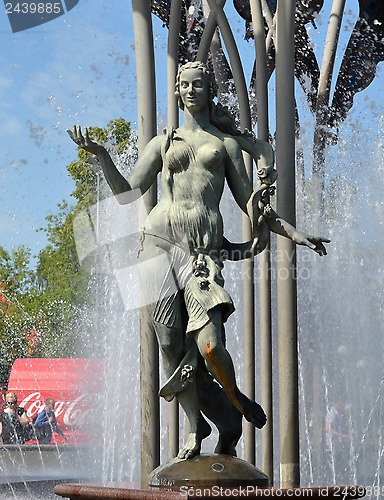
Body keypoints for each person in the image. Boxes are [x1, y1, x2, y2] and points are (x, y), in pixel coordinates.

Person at [68, 60, 329, 460]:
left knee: (208, 346)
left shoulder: (224, 147)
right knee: (169, 343)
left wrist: (295, 233)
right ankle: (196, 426)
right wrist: (103, 156)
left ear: (210, 91)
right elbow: (126, 195)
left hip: (202, 256)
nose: (191, 91)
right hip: (156, 245)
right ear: (177, 91)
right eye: (184, 85)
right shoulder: (162, 143)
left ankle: (235, 397)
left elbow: (252, 206)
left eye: (199, 85)